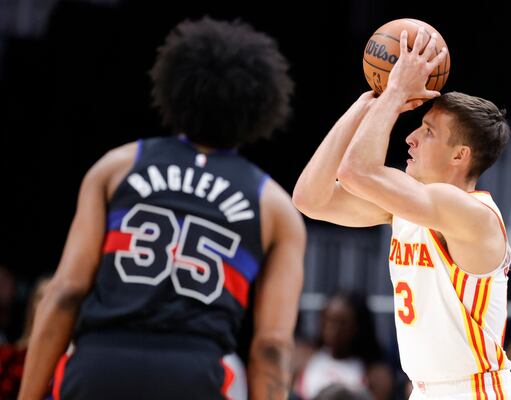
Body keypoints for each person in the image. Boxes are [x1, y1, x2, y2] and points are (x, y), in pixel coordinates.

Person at [18, 16, 306, 400]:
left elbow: (66, 291)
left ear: (174, 88)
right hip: (192, 372)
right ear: (261, 106)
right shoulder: (273, 204)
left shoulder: (117, 166)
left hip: (100, 365)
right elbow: (271, 346)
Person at [293, 27, 511, 398]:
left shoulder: (471, 213)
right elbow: (309, 198)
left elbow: (356, 171)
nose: (410, 137)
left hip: (475, 391)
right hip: (425, 389)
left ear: (460, 155)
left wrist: (396, 93)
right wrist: (371, 99)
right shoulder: (410, 206)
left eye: (428, 131)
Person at [292, 291, 394, 400]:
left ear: (359, 326)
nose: (332, 329)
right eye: (328, 320)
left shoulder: (376, 374)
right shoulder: (303, 357)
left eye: (342, 323)